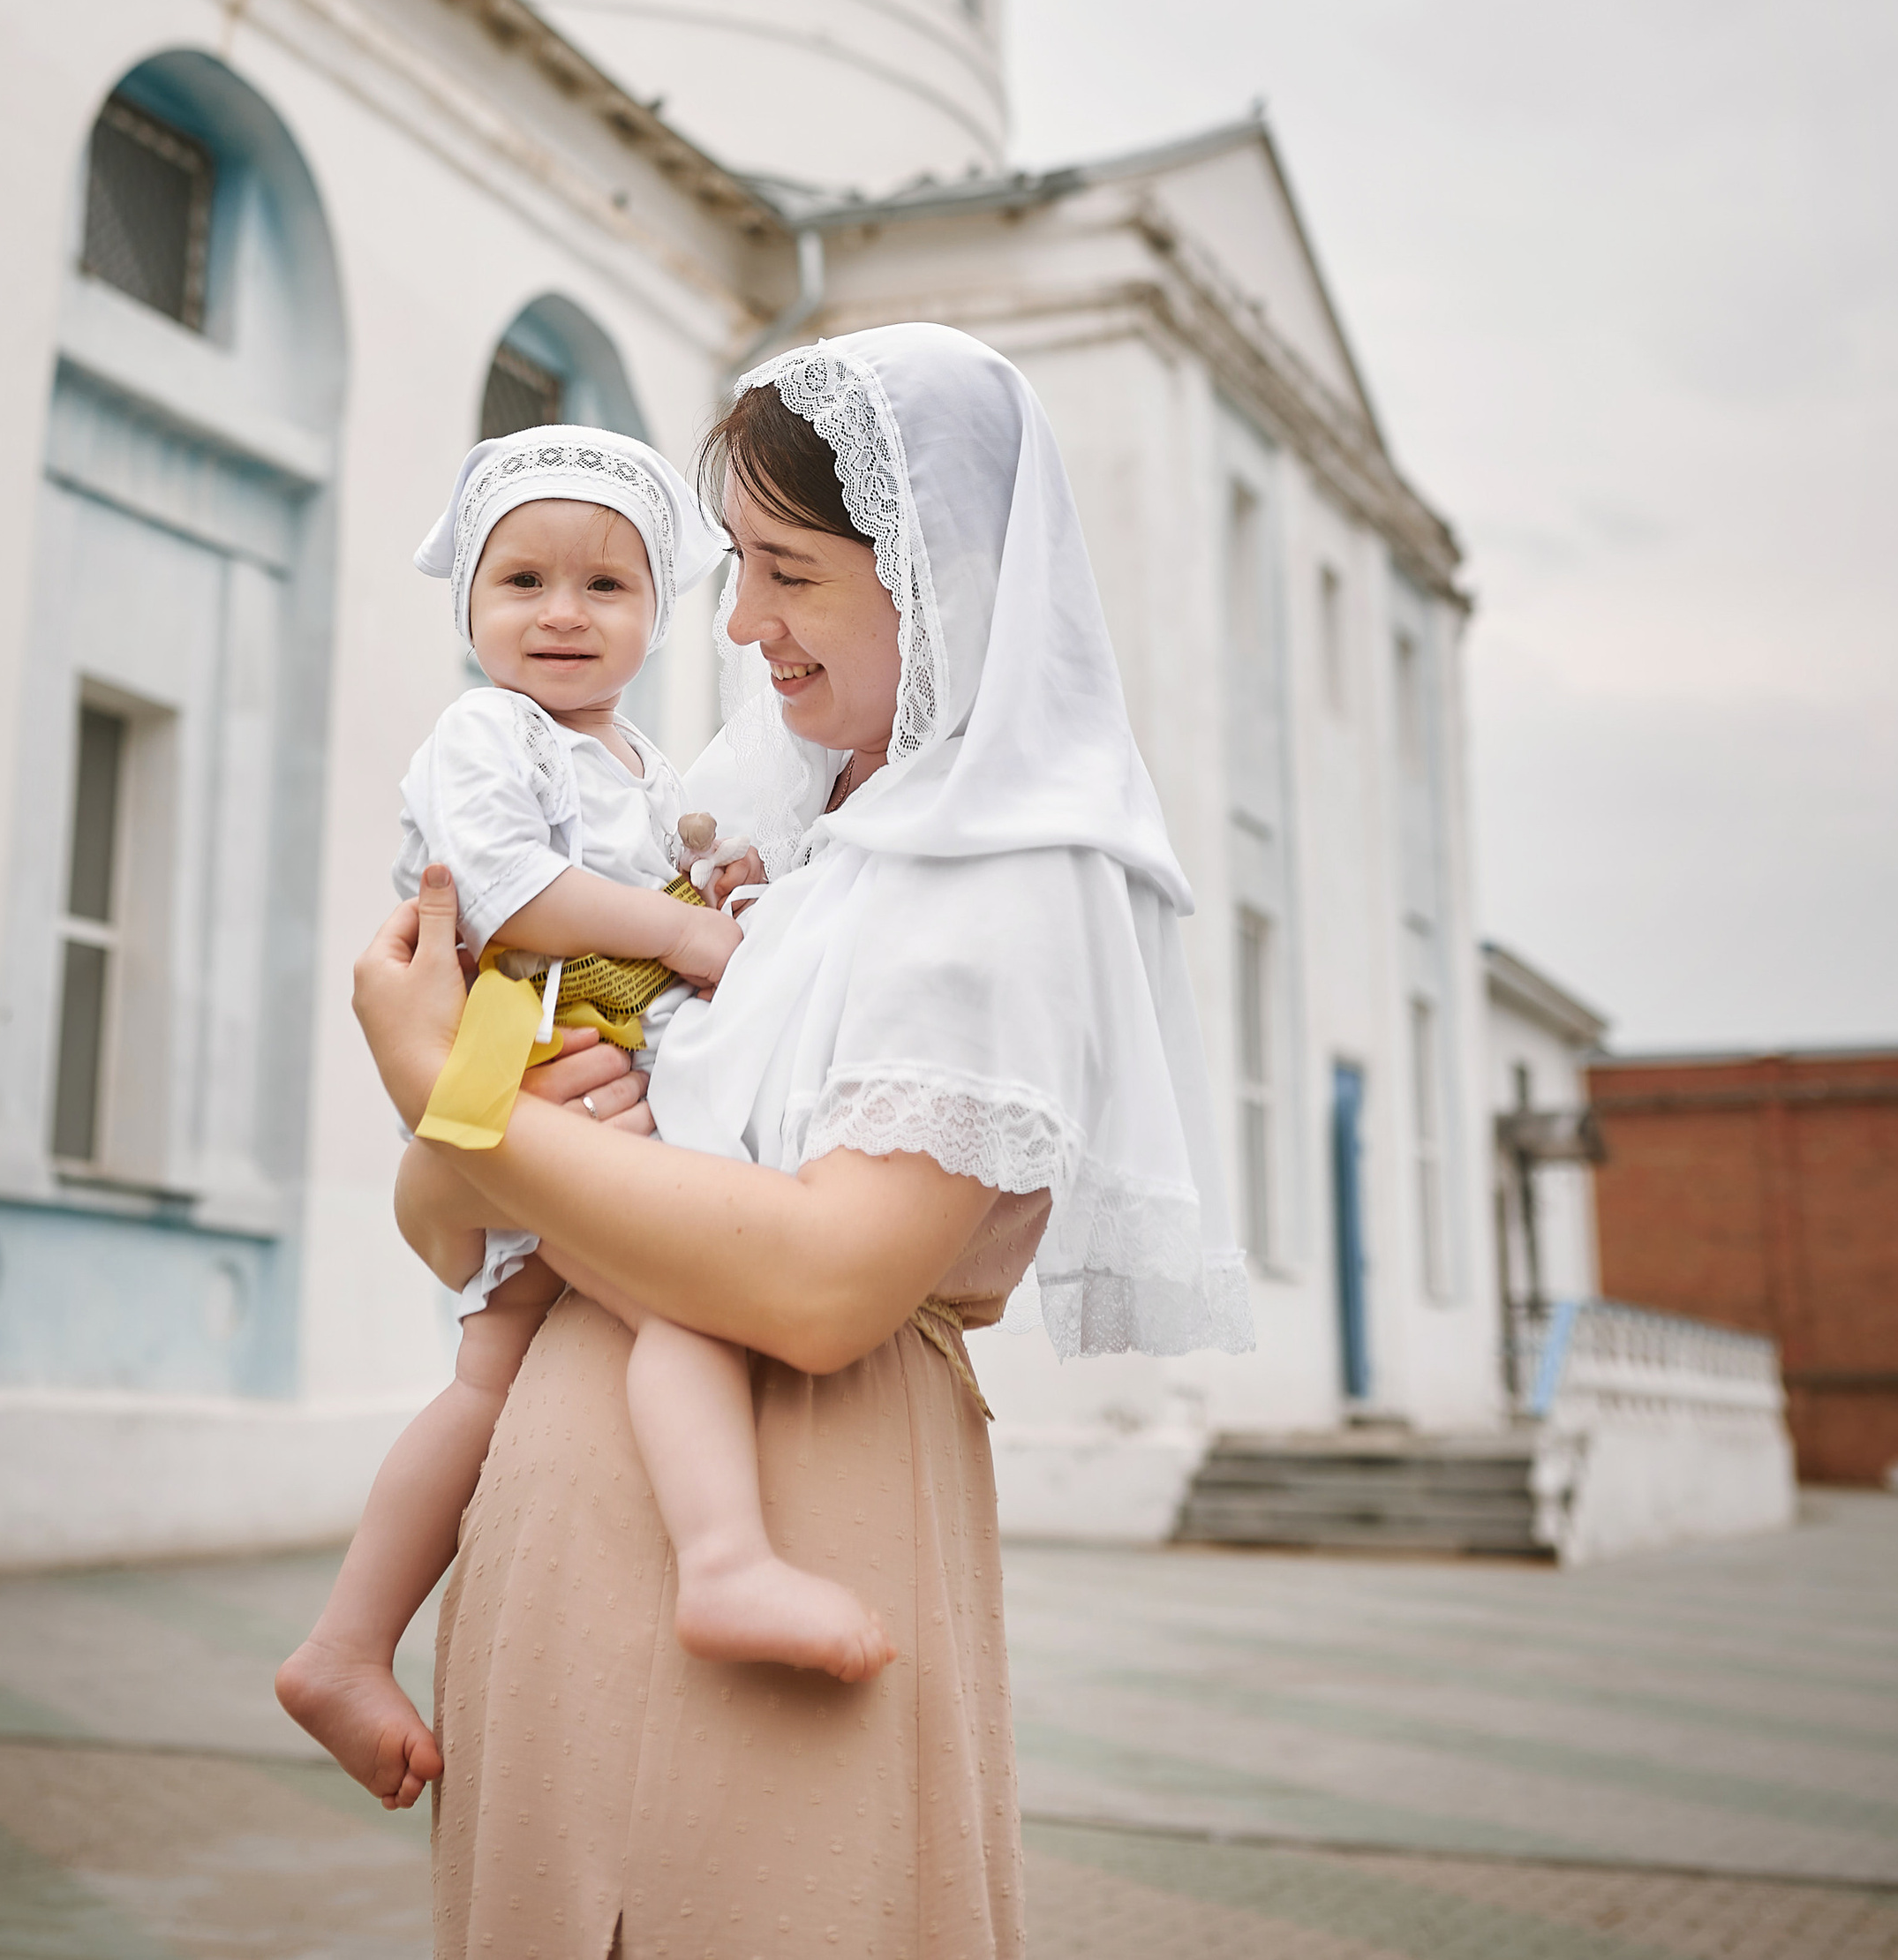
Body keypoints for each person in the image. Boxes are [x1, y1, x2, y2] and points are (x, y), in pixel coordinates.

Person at [355, 325, 1254, 1960]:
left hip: (809, 1506)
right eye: (741, 571)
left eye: (791, 572)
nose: (743, 622)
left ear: (943, 577)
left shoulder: (1008, 871)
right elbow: (448, 1223)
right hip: (552, 1553)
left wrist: (454, 1097)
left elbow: (830, 1289)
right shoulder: (755, 841)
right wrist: (458, 1115)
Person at [278, 423, 885, 1819]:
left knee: (492, 1378)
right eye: (524, 583)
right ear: (471, 609)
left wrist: (721, 882)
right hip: (521, 1036)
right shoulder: (484, 732)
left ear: (661, 613)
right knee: (678, 1305)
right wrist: (688, 944)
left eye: (607, 588)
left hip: (596, 1047)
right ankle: (721, 1559)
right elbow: (501, 892)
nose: (563, 614)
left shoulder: (640, 763)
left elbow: (685, 870)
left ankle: (342, 1647)